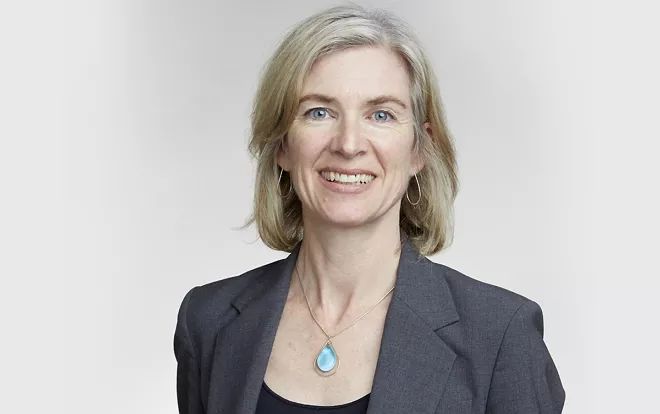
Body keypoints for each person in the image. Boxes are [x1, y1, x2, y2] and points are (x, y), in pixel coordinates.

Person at [174, 5, 565, 413]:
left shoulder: (500, 335)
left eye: (381, 115)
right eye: (319, 112)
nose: (348, 144)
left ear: (419, 150)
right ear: (282, 145)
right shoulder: (208, 322)